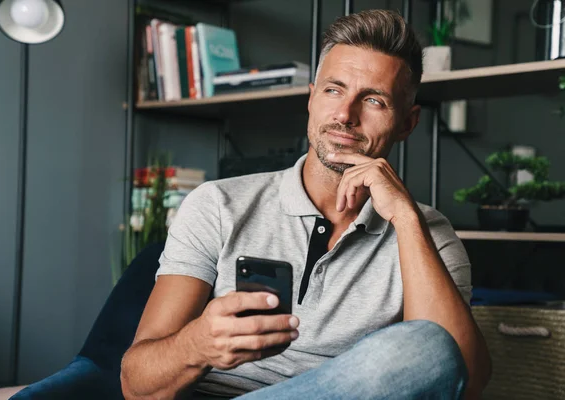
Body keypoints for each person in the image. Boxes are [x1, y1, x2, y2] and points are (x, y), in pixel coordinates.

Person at [121, 9, 492, 400]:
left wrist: (405, 217)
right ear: (311, 98)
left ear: (407, 123)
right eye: (334, 90)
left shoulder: (430, 233)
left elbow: (458, 377)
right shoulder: (217, 204)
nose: (345, 115)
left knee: (424, 347)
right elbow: (137, 384)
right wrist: (197, 344)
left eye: (374, 100)